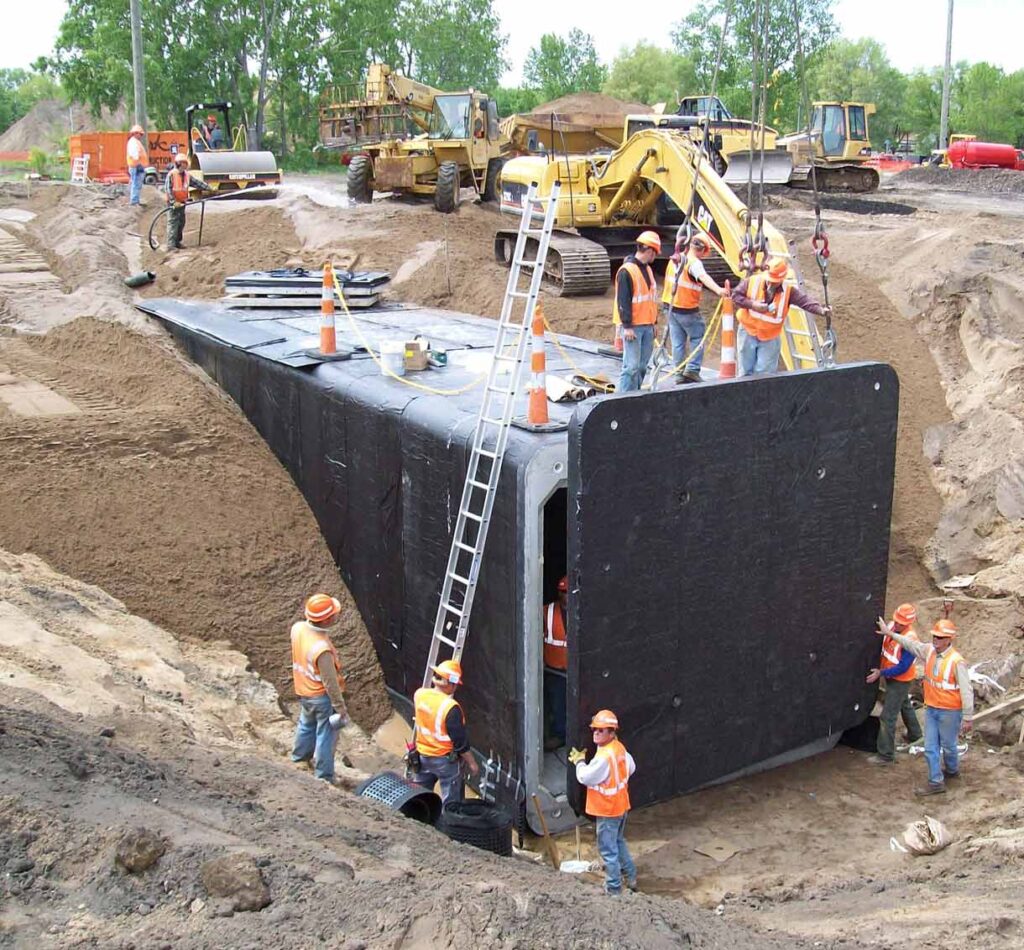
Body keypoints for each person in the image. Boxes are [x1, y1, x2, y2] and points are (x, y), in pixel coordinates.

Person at [876, 617, 973, 796]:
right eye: (935, 636)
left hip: (949, 712)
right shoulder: (929, 651)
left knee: (949, 745)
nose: (935, 640)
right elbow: (911, 644)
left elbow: (966, 691)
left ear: (949, 640)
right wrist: (890, 633)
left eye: (940, 638)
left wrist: (967, 717)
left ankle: (952, 771)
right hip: (932, 709)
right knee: (930, 748)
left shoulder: (956, 661)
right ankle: (936, 782)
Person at [569, 709, 637, 895]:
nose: (596, 733)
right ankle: (631, 876)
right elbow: (631, 767)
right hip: (621, 806)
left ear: (612, 732)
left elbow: (585, 777)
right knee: (618, 841)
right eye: (594, 730)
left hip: (608, 810)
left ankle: (613, 889)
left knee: (608, 850)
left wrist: (580, 762)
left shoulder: (603, 758)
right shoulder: (619, 749)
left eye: (601, 730)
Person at [731, 258, 832, 376]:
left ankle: (763, 394)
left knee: (765, 374)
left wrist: (821, 310)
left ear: (782, 279)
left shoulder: (789, 292)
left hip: (770, 337)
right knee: (744, 371)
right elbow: (735, 296)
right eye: (770, 280)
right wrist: (752, 305)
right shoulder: (753, 282)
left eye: (775, 281)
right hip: (748, 331)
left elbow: (804, 301)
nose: (771, 283)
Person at [289, 593, 352, 782]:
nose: (336, 616)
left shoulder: (298, 628)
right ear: (326, 620)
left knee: (306, 724)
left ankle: (300, 759)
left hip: (303, 689)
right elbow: (330, 683)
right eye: (333, 614)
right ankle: (324, 776)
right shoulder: (321, 648)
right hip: (321, 696)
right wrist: (340, 708)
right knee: (327, 734)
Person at [661, 233, 728, 384]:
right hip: (686, 308)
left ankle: (678, 373)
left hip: (670, 307)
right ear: (703, 249)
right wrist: (719, 290)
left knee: (677, 342)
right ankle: (692, 369)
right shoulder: (694, 263)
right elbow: (703, 277)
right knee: (698, 336)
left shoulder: (675, 260)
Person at [411, 659, 479, 804]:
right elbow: (460, 742)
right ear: (450, 683)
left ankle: (419, 820)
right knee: (451, 802)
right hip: (444, 760)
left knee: (419, 796)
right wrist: (472, 763)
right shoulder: (450, 707)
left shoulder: (419, 694)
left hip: (422, 756)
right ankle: (449, 824)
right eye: (455, 685)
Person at [866, 603, 924, 764]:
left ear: (908, 623)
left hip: (900, 680)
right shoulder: (890, 626)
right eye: (896, 621)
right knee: (905, 704)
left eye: (900, 623)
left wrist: (881, 673)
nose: (896, 625)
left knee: (887, 717)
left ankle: (885, 755)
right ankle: (916, 735)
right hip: (891, 676)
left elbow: (902, 667)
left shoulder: (910, 641)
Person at [613, 231, 660, 393]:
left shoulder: (647, 270)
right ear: (650, 251)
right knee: (631, 367)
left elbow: (651, 299)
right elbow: (623, 301)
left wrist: (654, 322)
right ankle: (623, 399)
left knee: (641, 366)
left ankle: (635, 396)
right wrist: (627, 326)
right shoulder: (627, 271)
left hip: (647, 325)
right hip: (633, 327)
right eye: (655, 253)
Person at [164, 154, 210, 251]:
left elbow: (197, 183)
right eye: (184, 163)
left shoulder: (186, 175)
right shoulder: (171, 174)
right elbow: (168, 189)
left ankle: (177, 242)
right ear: (179, 163)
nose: (186, 165)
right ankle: (171, 245)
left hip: (182, 203)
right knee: (173, 223)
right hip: (173, 204)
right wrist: (173, 202)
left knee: (181, 222)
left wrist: (209, 188)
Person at [543, 576, 568, 750]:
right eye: (562, 592)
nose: (565, 595)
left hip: (576, 669)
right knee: (557, 703)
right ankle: (560, 735)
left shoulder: (584, 610)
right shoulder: (547, 611)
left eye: (567, 591)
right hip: (555, 670)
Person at [126, 124, 149, 207]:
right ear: (135, 133)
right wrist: (138, 160)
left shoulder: (135, 142)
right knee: (136, 183)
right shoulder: (133, 142)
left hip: (137, 166)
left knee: (137, 184)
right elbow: (135, 154)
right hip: (136, 166)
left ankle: (136, 200)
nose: (141, 136)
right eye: (140, 134)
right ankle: (134, 201)